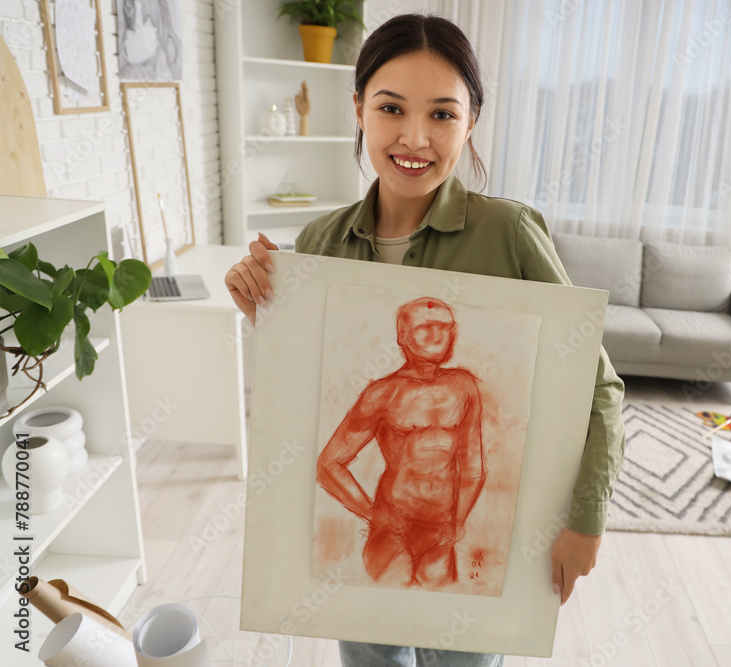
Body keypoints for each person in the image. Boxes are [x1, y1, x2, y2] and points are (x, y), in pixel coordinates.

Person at [225, 13, 625, 667]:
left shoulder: (511, 234)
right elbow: (314, 406)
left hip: (460, 538)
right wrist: (264, 316)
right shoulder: (322, 243)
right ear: (358, 108)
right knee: (371, 655)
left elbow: (599, 387)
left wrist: (587, 518)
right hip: (378, 531)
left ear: (472, 122)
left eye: (442, 114)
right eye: (390, 108)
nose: (415, 137)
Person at [316, 297, 485, 588]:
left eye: (445, 327)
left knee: (436, 617)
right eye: (427, 327)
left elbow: (472, 466)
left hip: (441, 533)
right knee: (386, 615)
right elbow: (329, 464)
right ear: (403, 337)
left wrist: (457, 521)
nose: (437, 335)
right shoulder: (383, 393)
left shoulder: (463, 386)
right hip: (394, 529)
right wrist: (372, 514)